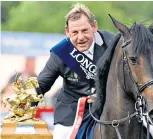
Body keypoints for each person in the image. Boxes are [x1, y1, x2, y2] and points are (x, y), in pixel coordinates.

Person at [35, 3, 117, 139]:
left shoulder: (113, 43)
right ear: (67, 32)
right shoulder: (61, 52)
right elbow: (42, 84)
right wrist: (25, 99)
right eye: (75, 32)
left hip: (109, 108)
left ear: (94, 26)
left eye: (85, 31)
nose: (80, 37)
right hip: (71, 110)